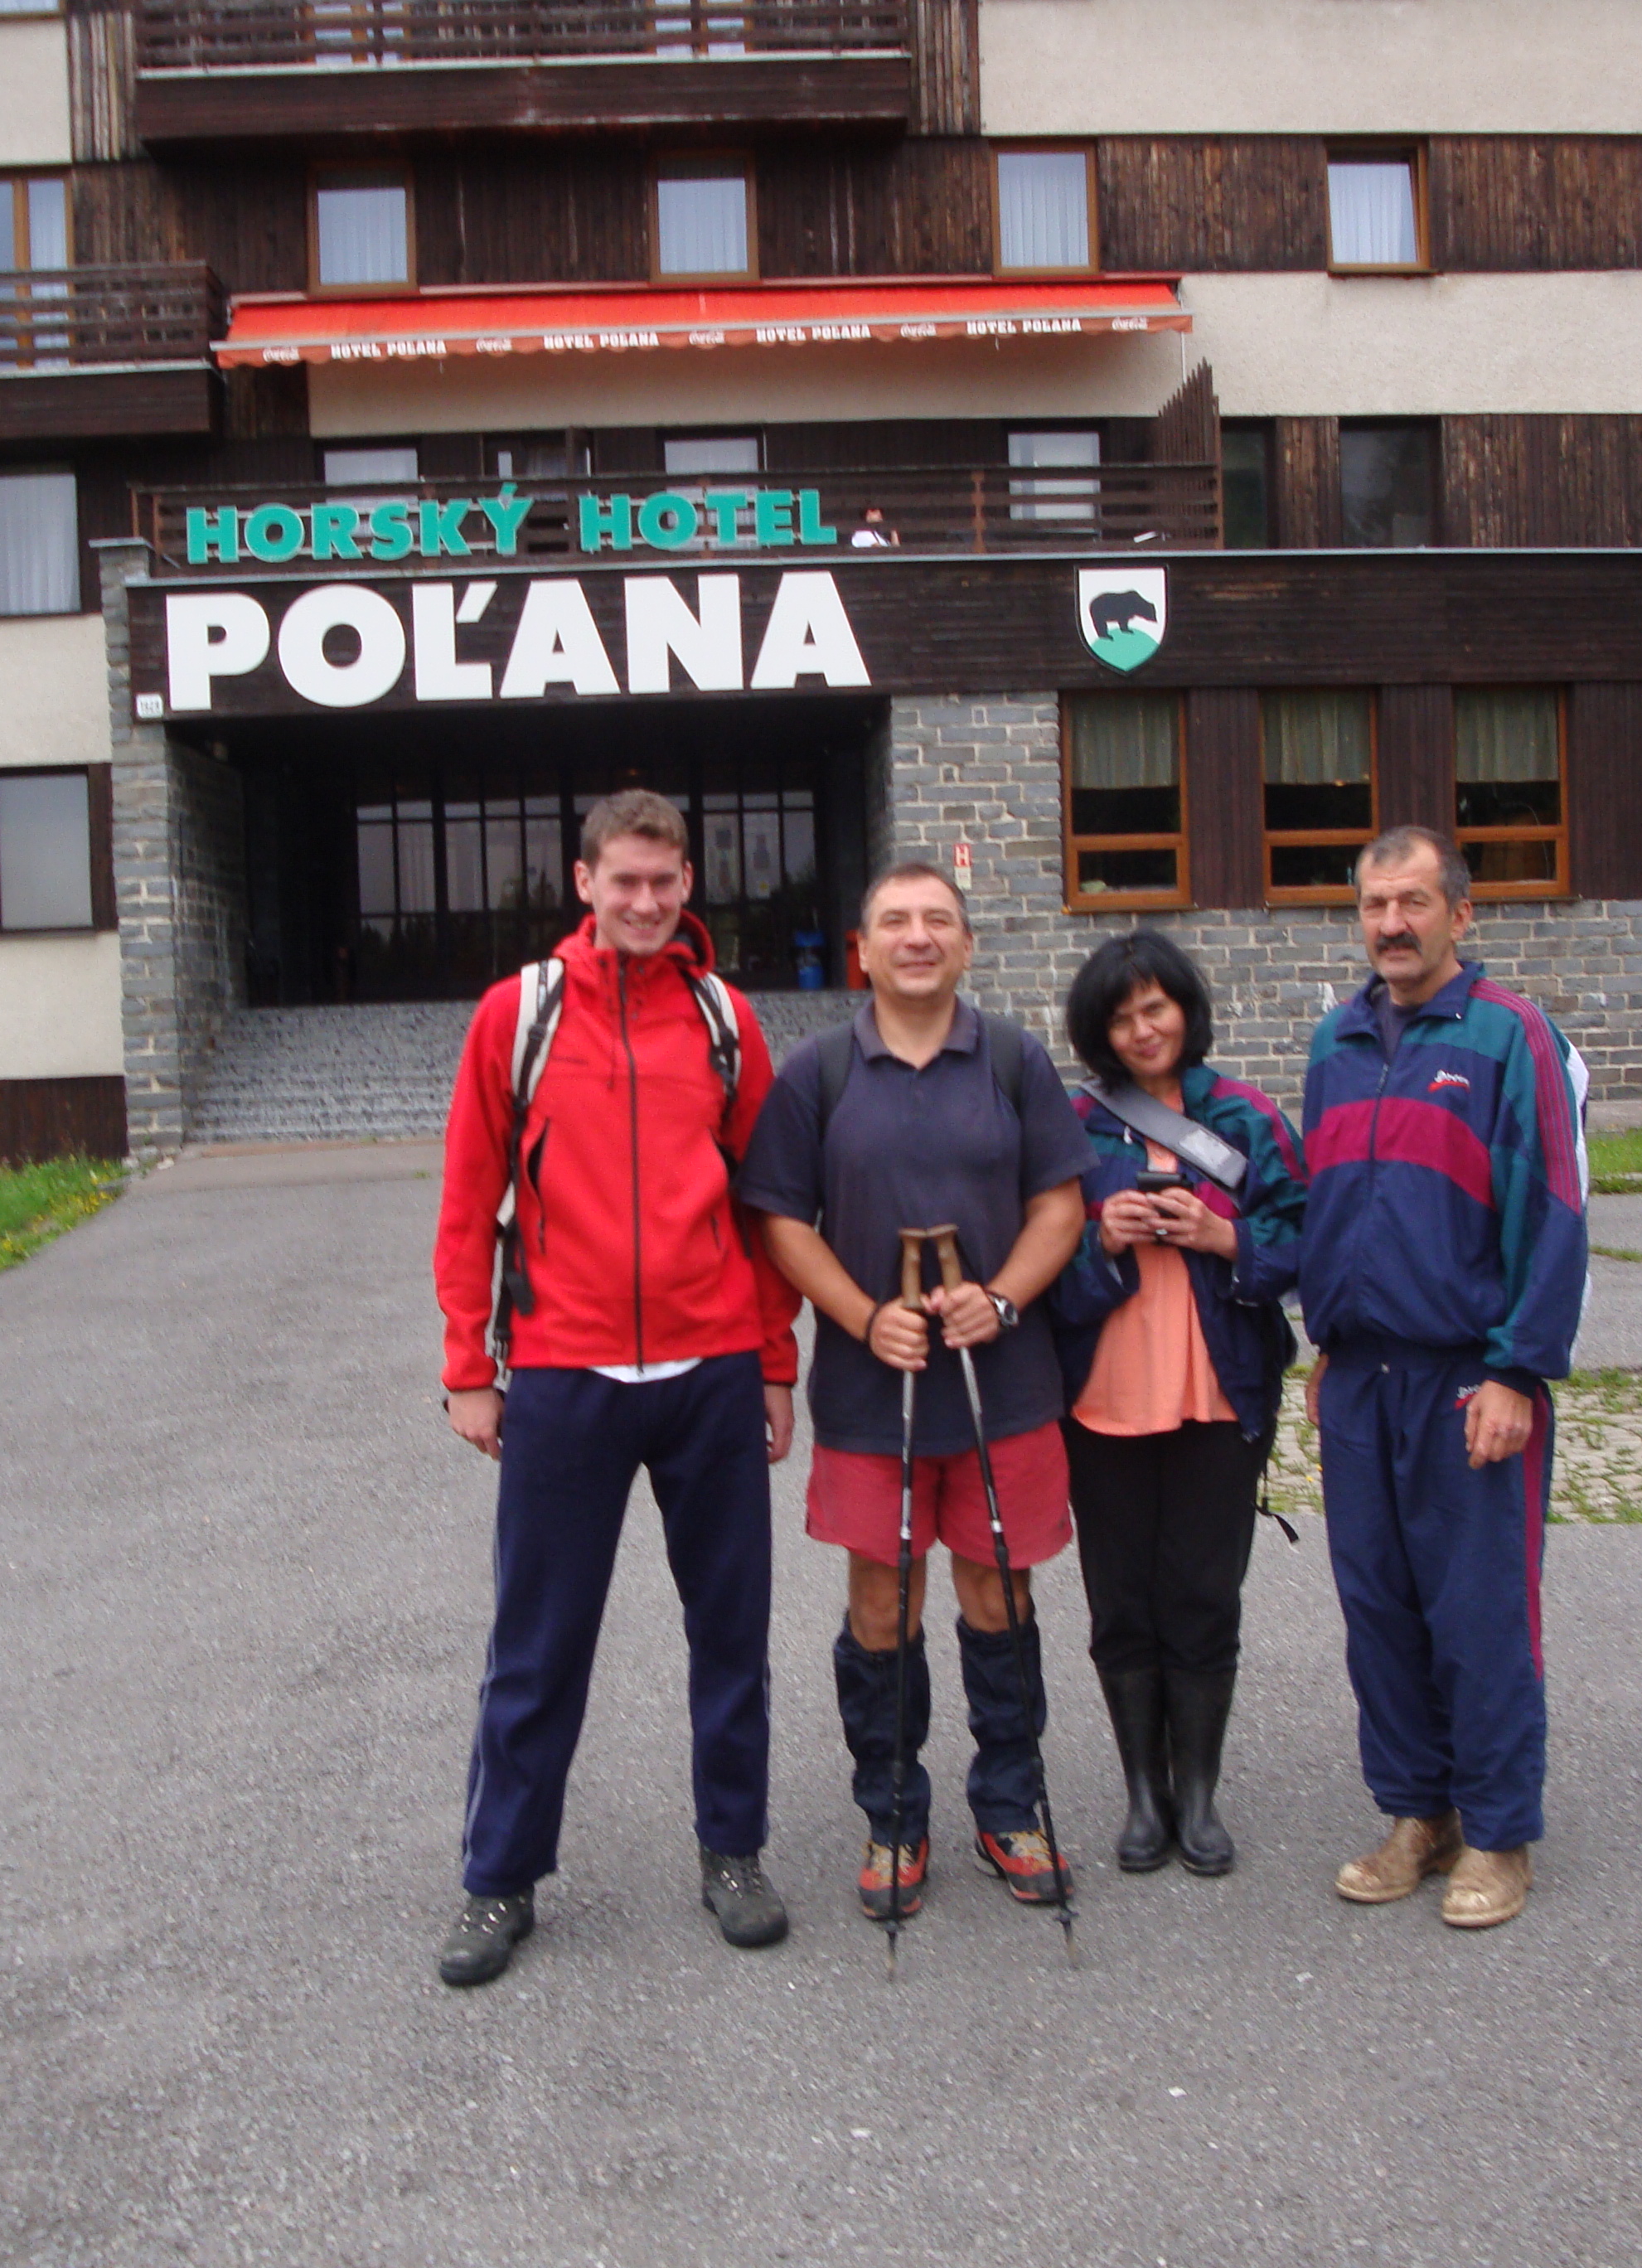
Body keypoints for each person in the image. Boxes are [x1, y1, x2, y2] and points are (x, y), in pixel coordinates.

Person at [428, 788, 805, 1987]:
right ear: (583, 883)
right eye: (624, 881)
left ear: (688, 884)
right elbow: (469, 1200)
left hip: (710, 1368)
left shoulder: (724, 1019)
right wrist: (468, 1367)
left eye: (664, 880)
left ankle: (733, 1853)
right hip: (563, 1372)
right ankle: (499, 1878)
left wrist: (775, 1360)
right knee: (537, 1644)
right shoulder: (520, 1014)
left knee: (731, 1635)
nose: (645, 901)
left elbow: (767, 1206)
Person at [737, 862, 1094, 1920]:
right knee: (882, 1599)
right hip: (871, 1391)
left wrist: (1006, 1298)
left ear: (967, 945)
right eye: (895, 920)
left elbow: (1061, 1207)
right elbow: (781, 1220)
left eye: (939, 919)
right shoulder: (819, 1072)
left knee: (998, 1595)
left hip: (1003, 1386)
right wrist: (861, 1316)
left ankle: (1011, 1806)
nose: (918, 936)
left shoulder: (1017, 1061)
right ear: (863, 949)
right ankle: (892, 1812)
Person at [1296, 825, 1588, 1931]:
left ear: (1460, 914)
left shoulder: (1513, 1038)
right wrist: (1327, 1343)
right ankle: (1421, 1816)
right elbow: (1333, 1207)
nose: (1392, 925)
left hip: (1470, 1377)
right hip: (1361, 1380)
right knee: (1379, 1609)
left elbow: (1556, 1210)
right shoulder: (1336, 1043)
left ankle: (1500, 1832)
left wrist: (1517, 1369)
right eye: (1375, 906)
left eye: (1413, 903)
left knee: (1479, 1613)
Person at [1047, 930, 1305, 1876]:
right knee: (1121, 1601)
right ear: (1098, 1032)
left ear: (1186, 1010)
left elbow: (1306, 1235)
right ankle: (1143, 1797)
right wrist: (1102, 1238)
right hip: (1102, 1397)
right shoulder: (1073, 1126)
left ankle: (1197, 1794)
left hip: (1217, 1392)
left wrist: (1223, 1236)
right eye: (1121, 1017)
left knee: (1202, 1596)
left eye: (1155, 1007)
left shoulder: (1245, 1115)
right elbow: (1039, 1267)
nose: (1142, 1029)